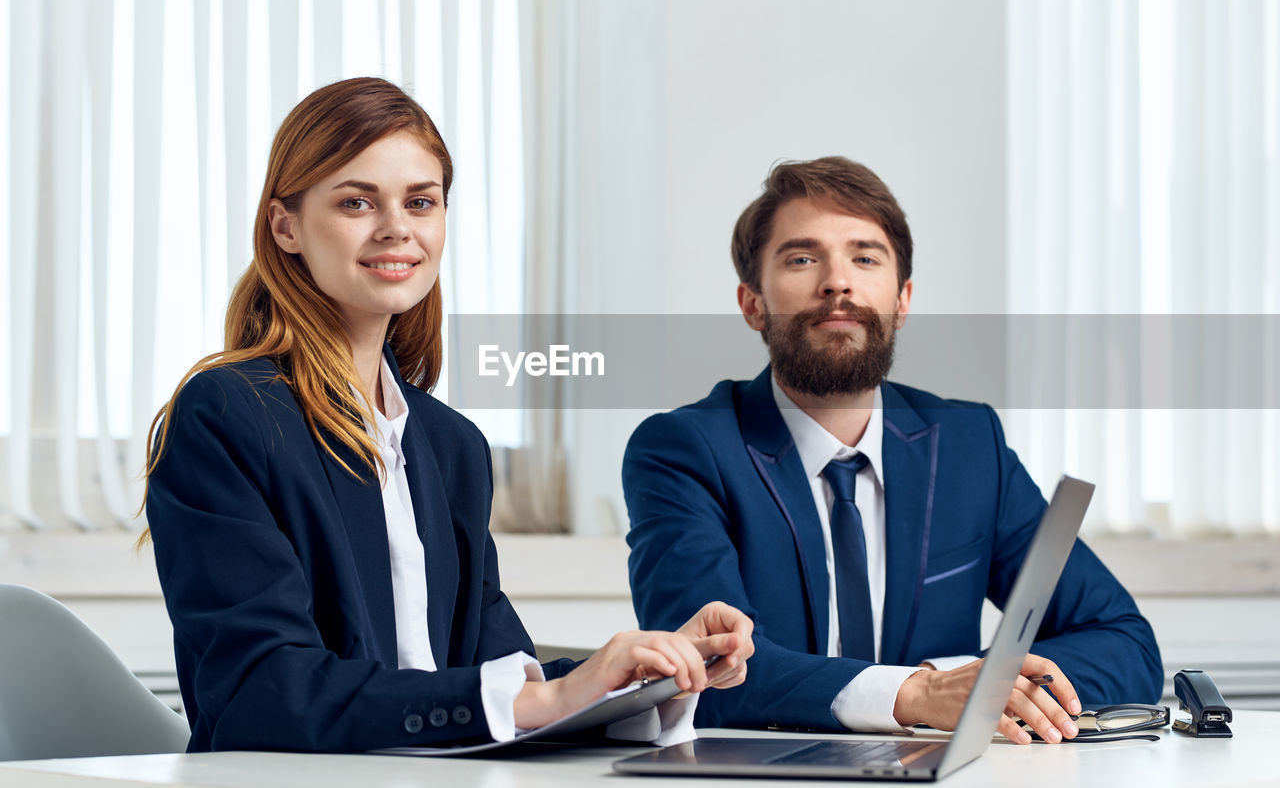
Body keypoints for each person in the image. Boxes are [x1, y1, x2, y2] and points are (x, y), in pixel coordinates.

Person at [142, 77, 753, 753]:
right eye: (355, 202)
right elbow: (261, 690)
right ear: (285, 226)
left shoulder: (449, 444)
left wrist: (639, 674)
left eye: (421, 202)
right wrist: (542, 698)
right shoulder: (228, 412)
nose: (397, 228)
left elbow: (482, 674)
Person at [622, 157, 1162, 745]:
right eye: (802, 258)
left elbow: (1124, 641)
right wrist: (919, 695)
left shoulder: (967, 444)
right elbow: (702, 673)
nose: (837, 281)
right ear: (752, 303)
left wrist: (968, 685)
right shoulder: (683, 451)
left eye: (865, 257)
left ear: (902, 299)